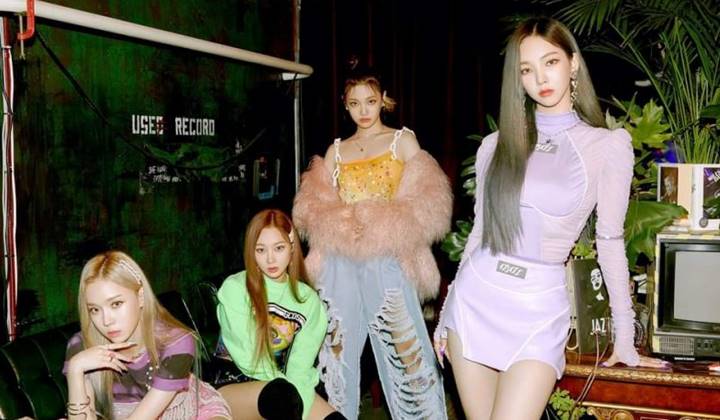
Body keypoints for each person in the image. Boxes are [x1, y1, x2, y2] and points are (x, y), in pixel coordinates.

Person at [433, 17, 668, 419]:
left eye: (551, 62)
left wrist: (624, 335)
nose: (540, 78)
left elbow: (609, 242)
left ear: (573, 63)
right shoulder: (494, 146)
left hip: (539, 310)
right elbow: (480, 234)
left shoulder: (606, 146)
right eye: (527, 69)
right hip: (476, 301)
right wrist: (443, 318)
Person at [293, 67, 452, 419]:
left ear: (383, 100)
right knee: (337, 353)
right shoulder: (336, 151)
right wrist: (341, 224)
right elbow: (312, 209)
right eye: (354, 103)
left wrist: (382, 224)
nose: (363, 110)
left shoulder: (402, 141)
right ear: (345, 106)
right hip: (341, 261)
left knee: (407, 349)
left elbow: (429, 201)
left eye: (370, 101)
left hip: (386, 257)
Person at [63, 250, 230, 420]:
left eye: (116, 304)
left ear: (140, 297)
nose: (106, 320)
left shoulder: (176, 342)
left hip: (186, 412)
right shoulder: (80, 345)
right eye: (95, 309)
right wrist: (76, 369)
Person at [215, 209, 344, 420]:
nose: (270, 259)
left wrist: (298, 404)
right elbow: (248, 357)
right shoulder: (235, 288)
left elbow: (300, 367)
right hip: (233, 384)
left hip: (285, 389)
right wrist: (290, 396)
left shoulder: (308, 301)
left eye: (279, 248)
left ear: (292, 246)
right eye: (261, 250)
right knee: (281, 397)